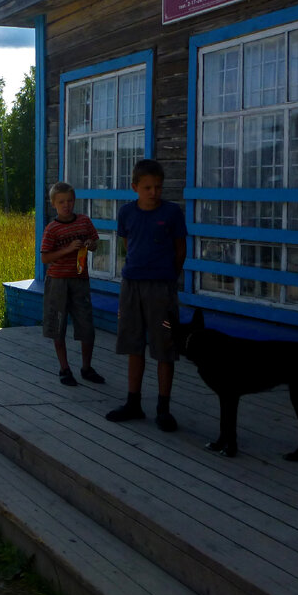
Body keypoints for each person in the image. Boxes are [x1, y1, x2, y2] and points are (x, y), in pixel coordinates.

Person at [105, 159, 187, 432]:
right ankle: (133, 402)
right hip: (132, 285)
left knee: (165, 347)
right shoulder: (127, 213)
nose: (154, 192)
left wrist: (167, 277)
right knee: (133, 343)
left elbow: (180, 250)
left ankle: (163, 408)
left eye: (158, 187)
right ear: (135, 187)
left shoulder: (172, 213)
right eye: (148, 187)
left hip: (161, 287)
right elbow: (128, 244)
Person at [40, 181, 104, 386]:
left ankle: (87, 367)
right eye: (61, 202)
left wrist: (90, 244)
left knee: (86, 324)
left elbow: (95, 242)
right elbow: (45, 258)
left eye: (69, 201)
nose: (66, 205)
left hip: (79, 280)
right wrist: (68, 249)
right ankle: (64, 368)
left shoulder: (84, 222)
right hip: (58, 281)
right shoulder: (52, 229)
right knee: (58, 325)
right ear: (54, 204)